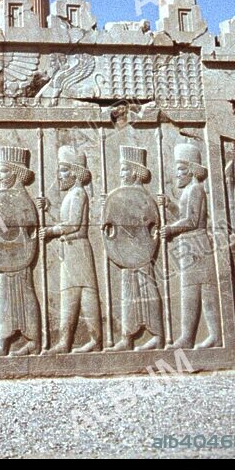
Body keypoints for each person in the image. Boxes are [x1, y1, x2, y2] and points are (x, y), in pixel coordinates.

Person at [160, 138, 221, 348]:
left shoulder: (196, 189)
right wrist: (169, 205)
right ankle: (189, 336)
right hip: (191, 244)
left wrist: (170, 229)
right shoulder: (189, 190)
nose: (176, 173)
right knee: (192, 290)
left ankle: (210, 336)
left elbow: (192, 221)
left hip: (197, 244)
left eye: (180, 169)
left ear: (192, 171)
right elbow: (185, 215)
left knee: (201, 291)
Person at [0, 146, 40, 357]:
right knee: (5, 298)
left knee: (25, 295)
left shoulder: (23, 200)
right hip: (5, 256)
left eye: (4, 171)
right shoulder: (3, 197)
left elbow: (25, 225)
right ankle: (3, 341)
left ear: (15, 172)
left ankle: (33, 341)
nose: (0, 176)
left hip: (19, 257)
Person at [40, 146, 101, 353]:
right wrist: (49, 208)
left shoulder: (77, 194)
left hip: (78, 249)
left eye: (64, 169)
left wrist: (51, 231)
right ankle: (66, 342)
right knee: (71, 295)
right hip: (71, 249)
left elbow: (73, 224)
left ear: (75, 172)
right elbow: (66, 219)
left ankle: (94, 340)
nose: (59, 174)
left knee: (85, 294)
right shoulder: (72, 195)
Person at [104, 146, 164, 351]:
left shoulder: (144, 199)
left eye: (123, 169)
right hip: (126, 254)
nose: (120, 174)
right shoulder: (119, 196)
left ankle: (157, 335)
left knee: (147, 289)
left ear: (134, 171)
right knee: (128, 293)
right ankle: (127, 336)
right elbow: (109, 224)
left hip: (141, 252)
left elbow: (154, 227)